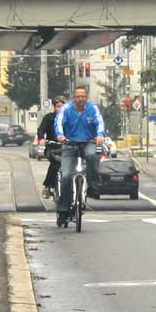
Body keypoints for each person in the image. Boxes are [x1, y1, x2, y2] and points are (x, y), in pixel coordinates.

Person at [54, 85, 105, 226]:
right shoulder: (66, 109)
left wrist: (100, 135)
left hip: (88, 142)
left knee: (92, 155)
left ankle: (93, 185)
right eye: (77, 97)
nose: (80, 99)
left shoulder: (92, 108)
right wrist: (60, 135)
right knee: (66, 176)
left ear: (86, 97)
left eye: (83, 96)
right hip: (70, 143)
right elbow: (58, 121)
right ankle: (63, 210)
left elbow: (100, 122)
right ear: (73, 98)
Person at [36, 96, 67, 198]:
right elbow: (41, 129)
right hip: (53, 147)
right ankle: (47, 186)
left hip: (67, 147)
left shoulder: (70, 118)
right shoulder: (49, 118)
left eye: (62, 107)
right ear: (54, 107)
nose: (60, 109)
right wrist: (41, 138)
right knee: (56, 164)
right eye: (58, 106)